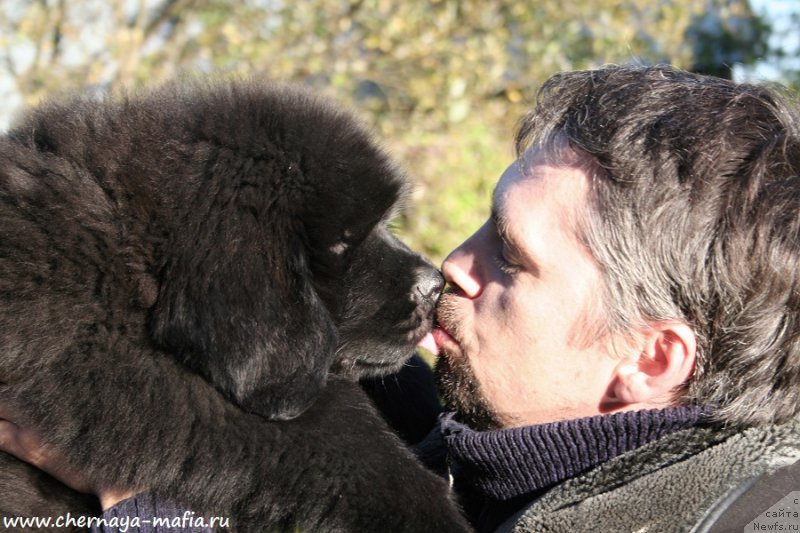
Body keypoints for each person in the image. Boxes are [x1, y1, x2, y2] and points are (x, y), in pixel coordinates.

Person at [3, 64, 800, 532]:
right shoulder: (451, 447)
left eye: (511, 258)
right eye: (484, 226)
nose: (452, 263)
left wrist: (148, 505)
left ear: (652, 356)